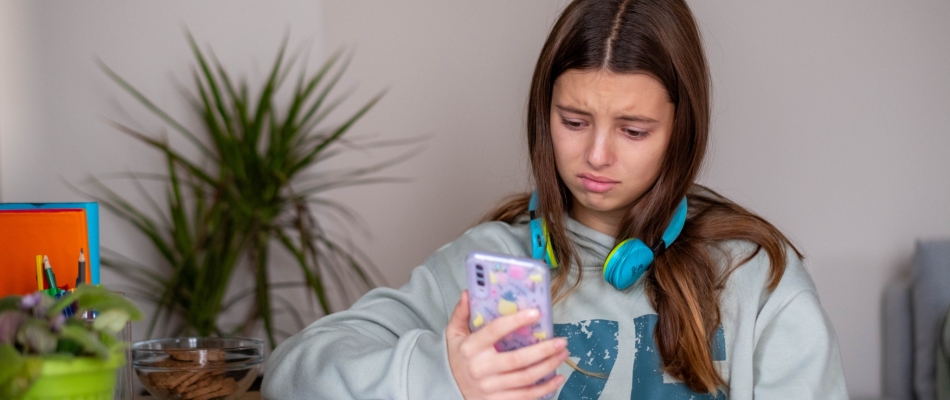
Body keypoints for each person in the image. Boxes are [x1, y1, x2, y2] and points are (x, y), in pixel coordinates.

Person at [262, 0, 849, 398]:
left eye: (633, 130)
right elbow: (292, 373)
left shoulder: (756, 278)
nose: (596, 155)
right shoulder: (491, 263)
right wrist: (447, 376)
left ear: (682, 131)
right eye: (573, 120)